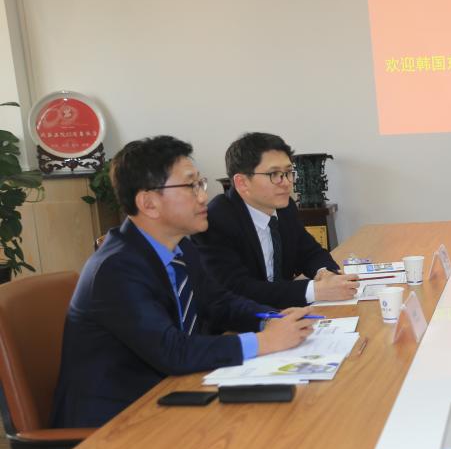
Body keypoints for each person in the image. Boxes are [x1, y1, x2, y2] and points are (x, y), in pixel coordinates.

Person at [52, 137, 314, 428]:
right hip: (115, 422)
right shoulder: (115, 269)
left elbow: (219, 303)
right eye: (191, 186)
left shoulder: (181, 248)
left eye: (200, 184)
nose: (203, 197)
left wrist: (271, 319)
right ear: (148, 203)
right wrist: (264, 342)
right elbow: (172, 351)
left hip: (175, 394)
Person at [194, 132, 357, 309]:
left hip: (285, 312)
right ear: (242, 183)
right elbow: (237, 289)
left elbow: (310, 252)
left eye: (288, 172)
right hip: (244, 319)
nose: (286, 182)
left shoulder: (286, 208)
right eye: (274, 174)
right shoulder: (216, 220)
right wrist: (314, 290)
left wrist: (325, 273)